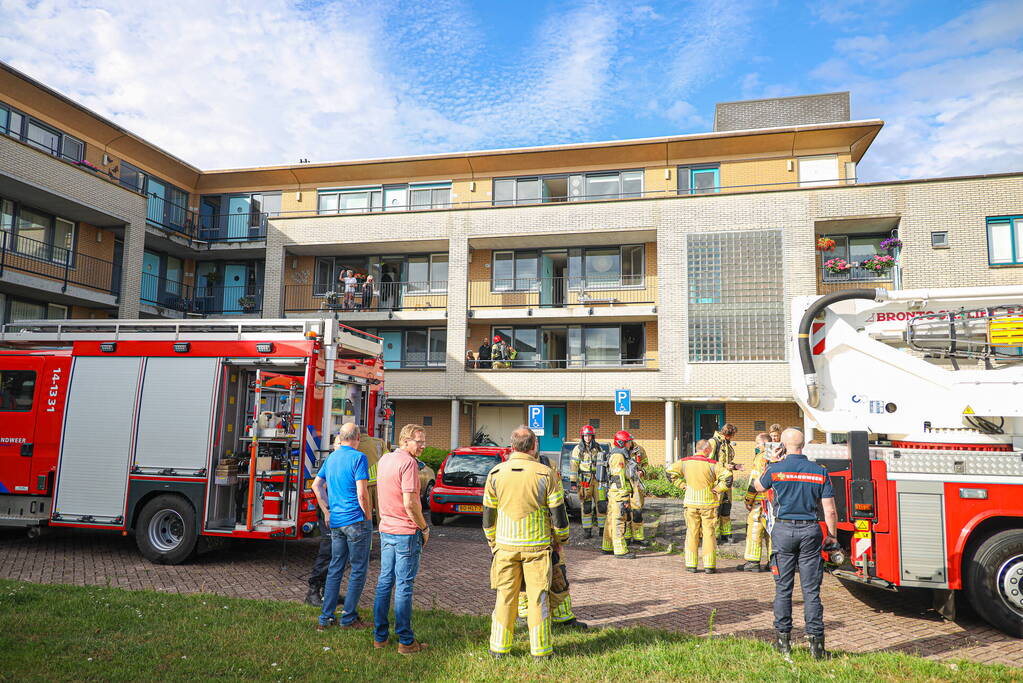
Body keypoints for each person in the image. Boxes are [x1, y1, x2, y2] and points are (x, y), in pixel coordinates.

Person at [483, 426, 570, 660]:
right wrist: (561, 540)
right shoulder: (546, 474)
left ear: (512, 446)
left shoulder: (495, 474)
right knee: (538, 599)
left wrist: (492, 541)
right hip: (537, 548)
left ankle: (499, 648)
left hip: (505, 547)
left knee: (505, 597)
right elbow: (559, 515)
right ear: (534, 446)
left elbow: (488, 516)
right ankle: (540, 651)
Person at [754, 427, 837, 660]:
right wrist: (832, 536)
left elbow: (758, 486)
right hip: (810, 531)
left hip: (783, 531)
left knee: (783, 588)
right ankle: (816, 647)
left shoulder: (776, 469)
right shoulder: (819, 472)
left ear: (782, 444)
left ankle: (783, 643)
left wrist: (770, 462)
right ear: (803, 445)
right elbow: (830, 510)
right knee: (811, 590)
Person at [373, 424, 430, 654]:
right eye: (419, 441)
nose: (423, 446)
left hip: (387, 529)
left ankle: (380, 638)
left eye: (424, 441)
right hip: (406, 532)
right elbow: (410, 503)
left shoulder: (385, 459)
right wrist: (424, 527)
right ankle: (406, 641)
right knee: (404, 585)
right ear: (405, 441)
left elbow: (380, 493)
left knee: (385, 582)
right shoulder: (408, 463)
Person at [312, 422, 372, 630]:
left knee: (335, 568)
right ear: (358, 438)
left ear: (341, 437)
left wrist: (327, 511)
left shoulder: (332, 457)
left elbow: (316, 486)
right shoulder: (359, 458)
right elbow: (362, 493)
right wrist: (367, 516)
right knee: (358, 569)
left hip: (336, 521)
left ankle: (326, 617)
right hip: (355, 520)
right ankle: (349, 618)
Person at [667, 439, 731, 573]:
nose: (711, 452)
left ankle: (691, 565)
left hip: (691, 504)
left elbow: (669, 472)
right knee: (709, 534)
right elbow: (728, 477)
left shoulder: (684, 462)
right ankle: (709, 566)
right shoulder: (713, 464)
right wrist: (718, 489)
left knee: (692, 533)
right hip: (708, 504)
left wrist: (682, 485)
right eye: (710, 450)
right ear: (706, 450)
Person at [737, 432, 777, 572]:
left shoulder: (760, 458)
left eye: (758, 443)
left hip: (760, 501)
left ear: (765, 443)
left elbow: (755, 480)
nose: (756, 446)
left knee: (755, 528)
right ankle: (774, 561)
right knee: (771, 530)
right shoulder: (777, 457)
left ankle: (753, 561)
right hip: (774, 501)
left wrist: (748, 499)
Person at [601, 430, 635, 559]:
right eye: (628, 442)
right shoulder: (619, 456)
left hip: (614, 493)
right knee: (619, 520)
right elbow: (618, 477)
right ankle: (620, 550)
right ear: (622, 443)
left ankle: (608, 546)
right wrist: (624, 495)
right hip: (618, 494)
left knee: (610, 520)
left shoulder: (618, 454)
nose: (630, 444)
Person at [569, 425, 606, 537]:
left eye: (589, 436)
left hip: (598, 480)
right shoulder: (578, 449)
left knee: (601, 505)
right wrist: (573, 482)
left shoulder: (598, 448)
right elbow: (574, 466)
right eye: (585, 436)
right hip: (584, 481)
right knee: (586, 506)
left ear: (593, 436)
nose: (588, 438)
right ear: (582, 436)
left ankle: (602, 530)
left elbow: (604, 464)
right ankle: (587, 531)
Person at [708, 423, 738, 544]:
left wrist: (735, 466)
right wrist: (725, 466)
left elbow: (727, 461)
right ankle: (713, 536)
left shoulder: (727, 444)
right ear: (727, 433)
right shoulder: (714, 442)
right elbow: (709, 462)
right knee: (716, 509)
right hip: (717, 482)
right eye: (732, 435)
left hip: (727, 481)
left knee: (726, 507)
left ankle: (726, 534)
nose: (732, 437)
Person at [622, 433, 649, 546]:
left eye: (628, 441)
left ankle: (638, 537)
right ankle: (627, 536)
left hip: (636, 484)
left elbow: (646, 465)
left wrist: (642, 472)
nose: (627, 443)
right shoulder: (619, 452)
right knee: (626, 511)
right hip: (624, 484)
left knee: (637, 512)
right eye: (625, 442)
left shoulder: (639, 450)